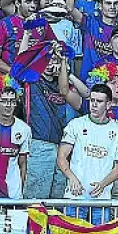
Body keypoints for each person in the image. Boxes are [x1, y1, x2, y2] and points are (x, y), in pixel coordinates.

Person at [58, 84, 118, 221]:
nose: (94, 105)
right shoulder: (75, 124)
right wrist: (71, 177)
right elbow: (61, 156)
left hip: (102, 199)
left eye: (99, 101)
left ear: (108, 104)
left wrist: (103, 184)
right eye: (92, 100)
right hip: (75, 196)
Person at [26, 44, 79, 199]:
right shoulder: (32, 81)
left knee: (58, 198)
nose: (50, 64)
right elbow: (21, 60)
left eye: (54, 60)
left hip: (62, 146)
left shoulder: (63, 85)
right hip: (40, 144)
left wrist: (63, 63)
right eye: (46, 60)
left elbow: (70, 91)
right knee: (37, 198)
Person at [0, 0, 40, 75]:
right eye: (28, 2)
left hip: (35, 78)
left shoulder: (41, 24)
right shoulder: (4, 24)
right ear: (17, 3)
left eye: (35, 2)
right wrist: (13, 71)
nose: (33, 6)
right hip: (9, 78)